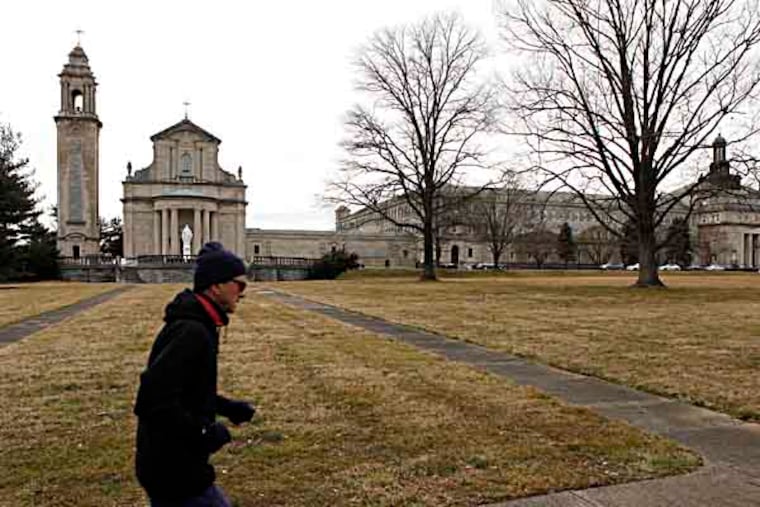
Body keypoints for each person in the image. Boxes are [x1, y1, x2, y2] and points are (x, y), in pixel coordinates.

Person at [134, 242, 255, 506]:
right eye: (239, 284)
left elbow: (184, 389)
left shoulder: (200, 323)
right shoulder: (191, 331)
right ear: (216, 285)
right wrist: (203, 433)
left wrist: (226, 407)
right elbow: (153, 400)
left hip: (175, 461)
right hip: (171, 466)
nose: (243, 293)